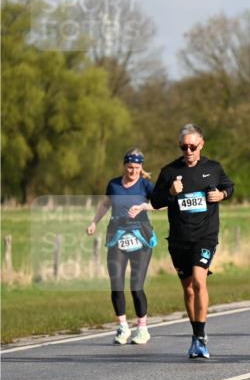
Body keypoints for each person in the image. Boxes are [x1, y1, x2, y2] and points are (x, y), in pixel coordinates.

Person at [151, 124, 234, 358]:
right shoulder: (169, 171)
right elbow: (156, 201)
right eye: (183, 147)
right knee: (188, 289)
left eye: (192, 146)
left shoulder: (213, 168)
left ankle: (201, 336)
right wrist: (171, 193)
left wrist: (222, 194)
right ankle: (195, 335)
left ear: (201, 145)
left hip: (205, 235)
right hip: (179, 239)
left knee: (199, 281)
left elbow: (229, 186)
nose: (188, 150)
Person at [86, 149, 158, 345]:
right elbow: (105, 204)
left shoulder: (146, 185)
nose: (132, 171)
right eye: (129, 167)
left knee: (136, 286)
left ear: (141, 167)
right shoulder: (114, 184)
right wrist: (94, 222)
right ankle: (123, 327)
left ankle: (142, 328)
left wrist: (144, 207)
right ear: (124, 165)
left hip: (140, 238)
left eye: (136, 167)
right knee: (116, 284)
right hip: (117, 237)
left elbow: (162, 203)